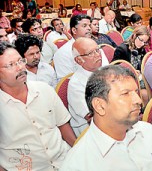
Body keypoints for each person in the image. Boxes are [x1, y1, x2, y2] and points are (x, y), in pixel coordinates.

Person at [60, 65, 152, 170]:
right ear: (100, 106)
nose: (138, 100)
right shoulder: (79, 165)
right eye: (125, 94)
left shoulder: (149, 132)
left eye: (136, 92)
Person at [0, 42, 76, 170]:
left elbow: (63, 125)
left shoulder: (44, 89)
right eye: (11, 65)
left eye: (20, 61)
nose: (20, 67)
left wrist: (78, 151)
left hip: (64, 161)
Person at [68, 37, 109, 137]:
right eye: (91, 53)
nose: (97, 55)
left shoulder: (105, 71)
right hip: (91, 130)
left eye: (97, 50)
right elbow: (91, 117)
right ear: (79, 60)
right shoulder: (76, 84)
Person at [53, 14, 92, 79]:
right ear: (74, 30)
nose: (89, 28)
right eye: (84, 26)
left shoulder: (94, 47)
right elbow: (66, 82)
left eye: (90, 26)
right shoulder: (63, 53)